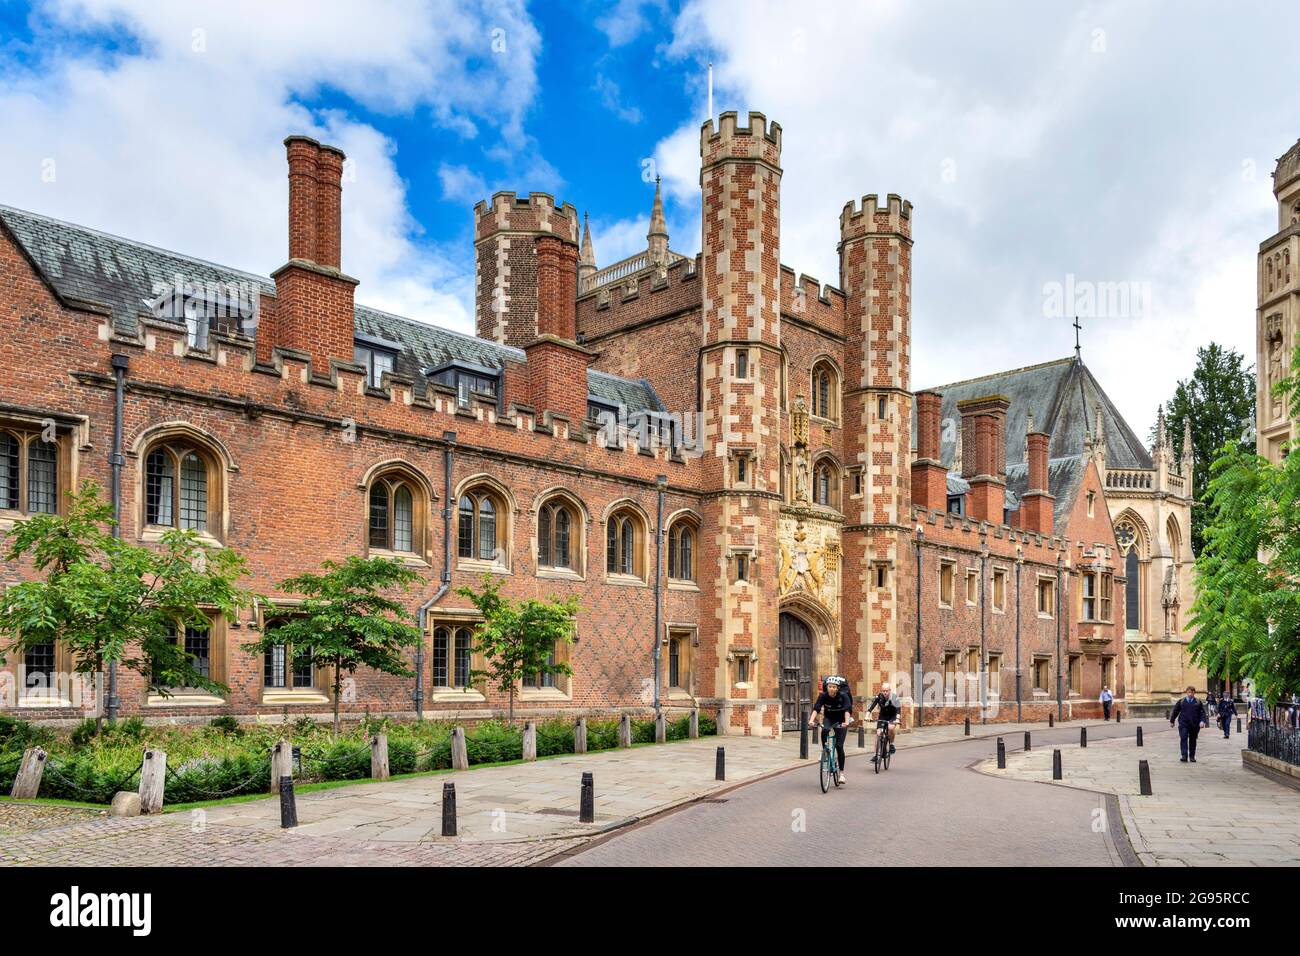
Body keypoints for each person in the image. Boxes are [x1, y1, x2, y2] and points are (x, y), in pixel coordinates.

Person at [809, 676, 854, 785]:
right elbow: (817, 708)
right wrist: (811, 720)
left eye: (834, 687)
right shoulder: (823, 696)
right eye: (830, 687)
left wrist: (847, 722)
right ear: (827, 687)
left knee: (839, 746)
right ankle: (825, 751)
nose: (831, 689)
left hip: (841, 720)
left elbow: (847, 710)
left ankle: (841, 774)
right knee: (824, 730)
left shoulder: (843, 696)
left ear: (837, 688)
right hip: (829, 718)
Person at [1169, 686, 1209, 763]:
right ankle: (1184, 755)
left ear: (1194, 693)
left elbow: (1202, 713)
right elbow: (1175, 711)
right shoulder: (1182, 701)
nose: (1190, 694)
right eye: (1189, 692)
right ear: (1186, 692)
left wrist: (1202, 721)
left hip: (1194, 724)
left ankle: (1192, 756)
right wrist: (1172, 721)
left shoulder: (1198, 702)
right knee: (1183, 738)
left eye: (1192, 692)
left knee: (1193, 740)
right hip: (1183, 723)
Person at [867, 682, 902, 762]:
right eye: (883, 691)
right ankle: (875, 755)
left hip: (892, 716)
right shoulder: (879, 697)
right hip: (883, 716)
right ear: (881, 691)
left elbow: (898, 710)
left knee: (890, 727)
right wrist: (867, 716)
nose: (885, 692)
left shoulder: (894, 698)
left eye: (887, 691)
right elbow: (871, 706)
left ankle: (891, 744)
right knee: (878, 733)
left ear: (890, 690)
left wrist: (897, 719)